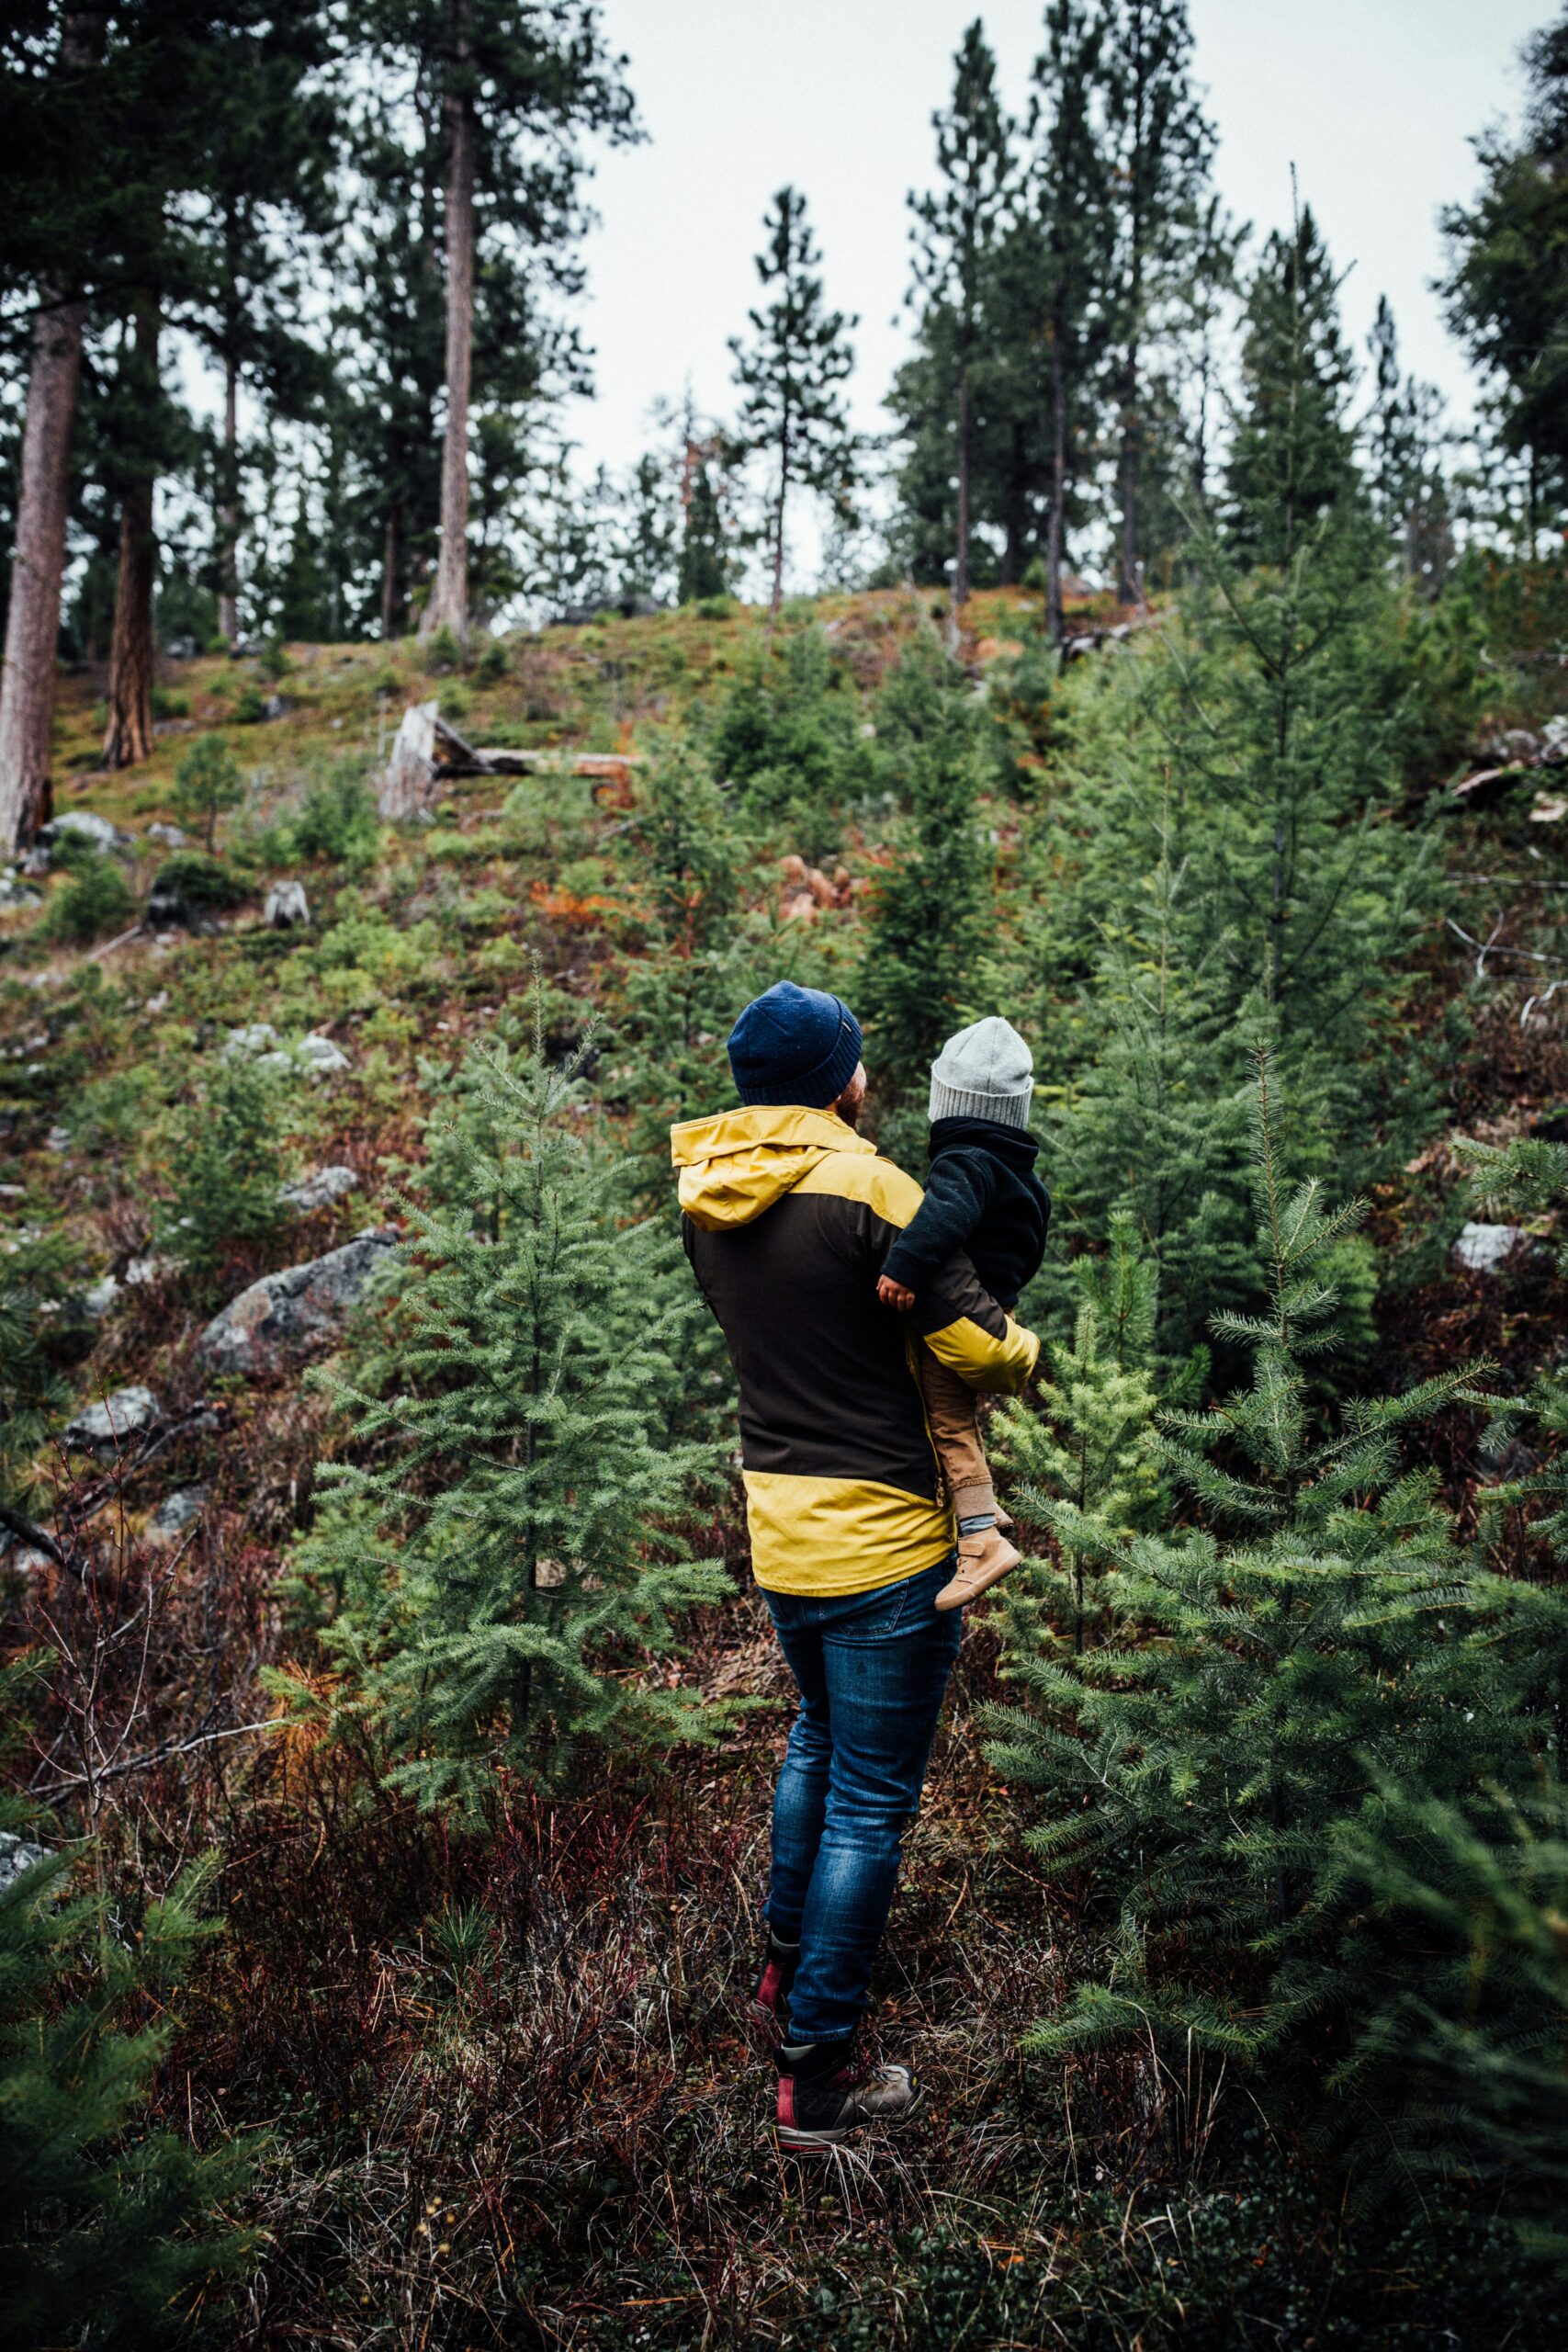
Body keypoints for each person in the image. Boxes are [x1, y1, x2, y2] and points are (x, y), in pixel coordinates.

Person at [671, 980, 1039, 2153]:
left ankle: (784, 1976)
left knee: (818, 1745)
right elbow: (978, 1347)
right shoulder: (876, 1187)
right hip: (884, 1534)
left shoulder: (705, 1197)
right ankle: (818, 2071)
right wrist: (1028, 1350)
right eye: (860, 1059)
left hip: (780, 1524)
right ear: (842, 1080)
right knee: (870, 1803)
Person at [875, 1016, 1051, 1611]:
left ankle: (980, 1539)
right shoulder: (1017, 1170)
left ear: (947, 1103)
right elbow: (1030, 1242)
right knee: (961, 1418)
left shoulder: (964, 1161)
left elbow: (943, 1215)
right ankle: (983, 1500)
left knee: (946, 1419)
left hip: (960, 1310)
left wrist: (905, 1265)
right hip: (994, 1305)